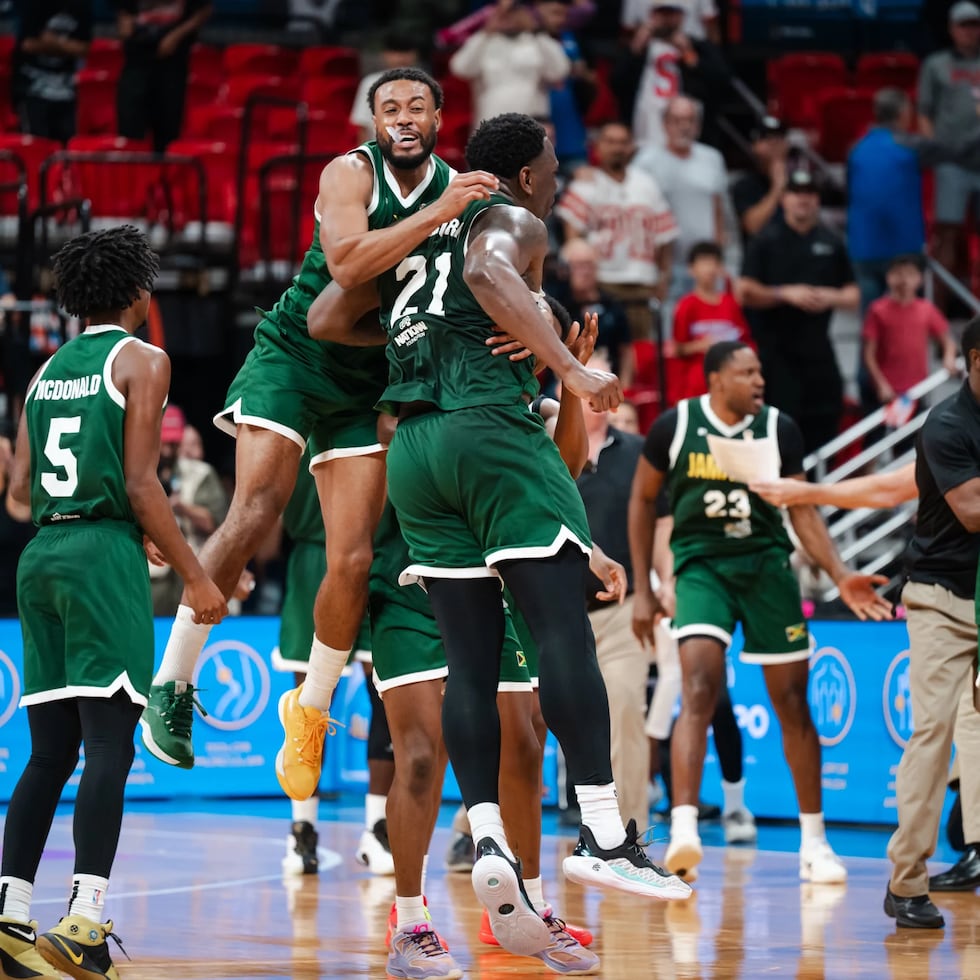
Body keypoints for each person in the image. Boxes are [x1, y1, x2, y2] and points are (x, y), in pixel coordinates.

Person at [373, 112, 691, 957]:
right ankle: (605, 834)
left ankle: (489, 838)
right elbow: (488, 267)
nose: (557, 181)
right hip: (489, 431)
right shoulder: (508, 220)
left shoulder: (417, 237)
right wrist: (571, 366)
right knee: (562, 631)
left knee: (471, 665)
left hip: (415, 449)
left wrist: (538, 336)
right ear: (524, 176)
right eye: (552, 168)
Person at [139, 68, 498, 775]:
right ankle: (173, 683)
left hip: (372, 373)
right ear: (373, 123)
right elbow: (346, 263)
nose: (403, 117)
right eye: (389, 108)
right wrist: (438, 214)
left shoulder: (462, 192)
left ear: (437, 120)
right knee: (256, 508)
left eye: (416, 107)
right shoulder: (350, 174)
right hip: (296, 355)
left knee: (355, 559)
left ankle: (310, 708)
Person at [308, 295, 606, 975]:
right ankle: (410, 922)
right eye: (529, 334)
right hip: (408, 588)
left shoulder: (524, 407)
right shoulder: (413, 389)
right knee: (419, 755)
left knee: (523, 741)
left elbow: (561, 478)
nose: (531, 348)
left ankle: (525, 908)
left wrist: (569, 381)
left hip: (491, 590)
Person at [0, 225, 226, 980]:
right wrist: (194, 573)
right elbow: (139, 481)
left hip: (43, 557)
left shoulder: (45, 372)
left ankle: (9, 915)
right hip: (100, 560)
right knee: (108, 747)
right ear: (137, 293)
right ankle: (85, 922)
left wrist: (122, 522)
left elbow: (20, 492)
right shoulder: (143, 359)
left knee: (48, 752)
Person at [628, 340, 892, 883]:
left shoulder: (779, 429)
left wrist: (839, 573)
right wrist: (645, 590)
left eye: (760, 371)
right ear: (716, 379)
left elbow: (804, 509)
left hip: (767, 567)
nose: (759, 380)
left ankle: (814, 843)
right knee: (698, 687)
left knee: (793, 702)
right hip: (702, 567)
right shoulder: (676, 426)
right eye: (747, 372)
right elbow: (642, 500)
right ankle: (684, 830)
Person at [273, 453, 395, 878]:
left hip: (377, 559)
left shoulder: (387, 424)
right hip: (319, 560)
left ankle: (376, 827)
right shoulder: (303, 430)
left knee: (386, 699)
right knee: (309, 707)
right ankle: (303, 830)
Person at [738, 170, 859, 455]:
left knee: (827, 421)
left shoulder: (831, 241)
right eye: (796, 193)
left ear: (817, 200)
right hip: (777, 352)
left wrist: (830, 296)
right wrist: (784, 294)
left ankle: (820, 477)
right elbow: (744, 290)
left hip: (818, 350)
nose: (803, 199)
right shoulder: (765, 240)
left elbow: (853, 295)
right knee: (779, 429)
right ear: (784, 199)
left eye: (809, 194)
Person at [556, 121, 677, 341]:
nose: (617, 148)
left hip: (642, 284)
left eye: (623, 142)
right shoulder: (585, 184)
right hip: (602, 284)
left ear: (631, 147)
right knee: (601, 351)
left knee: (643, 352)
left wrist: (663, 279)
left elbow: (665, 238)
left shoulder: (647, 184)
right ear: (598, 146)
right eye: (610, 142)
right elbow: (573, 240)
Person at [633, 96, 729, 316]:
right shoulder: (646, 161)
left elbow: (718, 210)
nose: (684, 126)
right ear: (665, 124)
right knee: (670, 326)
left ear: (698, 125)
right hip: (667, 266)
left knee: (708, 325)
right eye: (677, 120)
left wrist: (719, 259)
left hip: (705, 265)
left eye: (690, 120)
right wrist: (656, 269)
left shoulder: (712, 158)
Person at [917, 1, 980, 312]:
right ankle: (936, 313)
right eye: (963, 25)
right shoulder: (936, 64)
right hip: (952, 164)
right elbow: (924, 113)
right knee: (947, 235)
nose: (969, 30)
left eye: (974, 24)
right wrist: (936, 150)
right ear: (952, 29)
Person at [150, 404, 229, 617]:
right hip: (152, 578)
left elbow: (218, 523)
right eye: (165, 442)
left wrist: (182, 507)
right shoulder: (138, 474)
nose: (169, 449)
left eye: (174, 443)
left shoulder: (200, 474)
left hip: (193, 571)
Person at [448, 0, 570, 126]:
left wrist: (535, 31)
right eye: (503, 13)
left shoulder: (536, 41)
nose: (508, 17)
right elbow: (460, 68)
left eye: (513, 12)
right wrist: (485, 32)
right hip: (491, 121)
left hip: (531, 121)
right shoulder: (485, 42)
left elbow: (559, 71)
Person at [113, 0, 213, 154]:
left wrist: (176, 36)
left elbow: (204, 10)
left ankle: (165, 168)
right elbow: (123, 14)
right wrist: (124, 21)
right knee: (130, 132)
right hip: (137, 63)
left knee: (167, 133)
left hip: (172, 66)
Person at [862, 254, 957, 413]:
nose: (904, 280)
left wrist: (949, 357)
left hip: (918, 388)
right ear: (889, 277)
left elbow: (947, 340)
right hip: (888, 390)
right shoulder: (877, 310)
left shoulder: (926, 309)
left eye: (910, 274)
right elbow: (868, 354)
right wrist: (881, 384)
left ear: (919, 279)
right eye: (898, 273)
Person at [672, 241, 752, 402]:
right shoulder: (686, 306)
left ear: (720, 268)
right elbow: (677, 349)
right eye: (703, 263)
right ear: (691, 269)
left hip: (731, 383)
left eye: (713, 263)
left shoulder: (731, 304)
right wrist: (702, 345)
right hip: (696, 386)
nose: (709, 269)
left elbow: (746, 342)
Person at [14, 0, 92, 143]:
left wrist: (53, 43)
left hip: (67, 92)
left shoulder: (81, 6)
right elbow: (27, 45)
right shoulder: (34, 5)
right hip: (34, 90)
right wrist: (67, 46)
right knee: (37, 145)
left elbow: (84, 49)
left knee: (66, 146)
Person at [349, 33, 421, 144]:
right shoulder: (370, 83)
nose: (400, 58)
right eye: (395, 52)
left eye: (405, 52)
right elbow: (363, 127)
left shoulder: (424, 85)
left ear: (415, 55)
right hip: (379, 148)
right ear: (385, 55)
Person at [731, 116, 790, 245]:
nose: (774, 143)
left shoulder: (799, 182)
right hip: (760, 253)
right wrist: (777, 187)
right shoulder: (743, 186)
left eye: (779, 138)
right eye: (767, 138)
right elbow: (752, 227)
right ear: (754, 145)